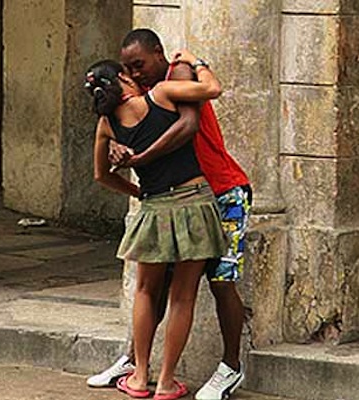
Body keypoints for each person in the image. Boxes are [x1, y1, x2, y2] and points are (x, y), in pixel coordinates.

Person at [87, 29, 252, 400]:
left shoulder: (177, 74)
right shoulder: (147, 98)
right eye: (127, 68)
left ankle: (230, 367)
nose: (135, 73)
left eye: (139, 65)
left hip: (223, 191)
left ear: (159, 54)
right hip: (184, 200)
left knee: (221, 281)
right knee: (160, 286)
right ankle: (135, 363)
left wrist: (139, 158)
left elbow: (188, 126)